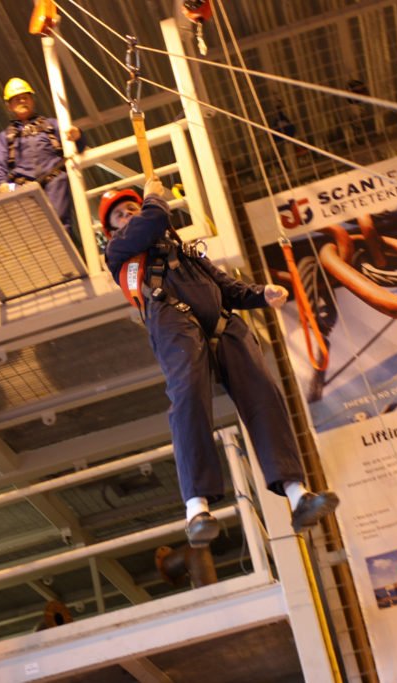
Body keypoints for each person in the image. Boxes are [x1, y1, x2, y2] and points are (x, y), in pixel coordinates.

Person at [101, 178, 339, 547]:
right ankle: (196, 506)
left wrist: (260, 294)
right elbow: (150, 221)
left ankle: (297, 494)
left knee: (263, 393)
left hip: (223, 321)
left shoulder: (184, 251)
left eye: (132, 207)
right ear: (112, 229)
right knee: (189, 397)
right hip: (172, 318)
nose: (129, 214)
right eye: (120, 214)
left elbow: (225, 287)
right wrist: (152, 199)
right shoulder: (119, 250)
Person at [0, 78, 82, 238]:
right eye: (16, 99)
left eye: (25, 97)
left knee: (60, 226)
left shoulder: (52, 125)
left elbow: (75, 146)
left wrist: (78, 135)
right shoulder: (5, 137)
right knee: (32, 233)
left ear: (32, 100)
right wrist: (3, 184)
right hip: (22, 188)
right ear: (9, 105)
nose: (22, 101)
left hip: (55, 180)